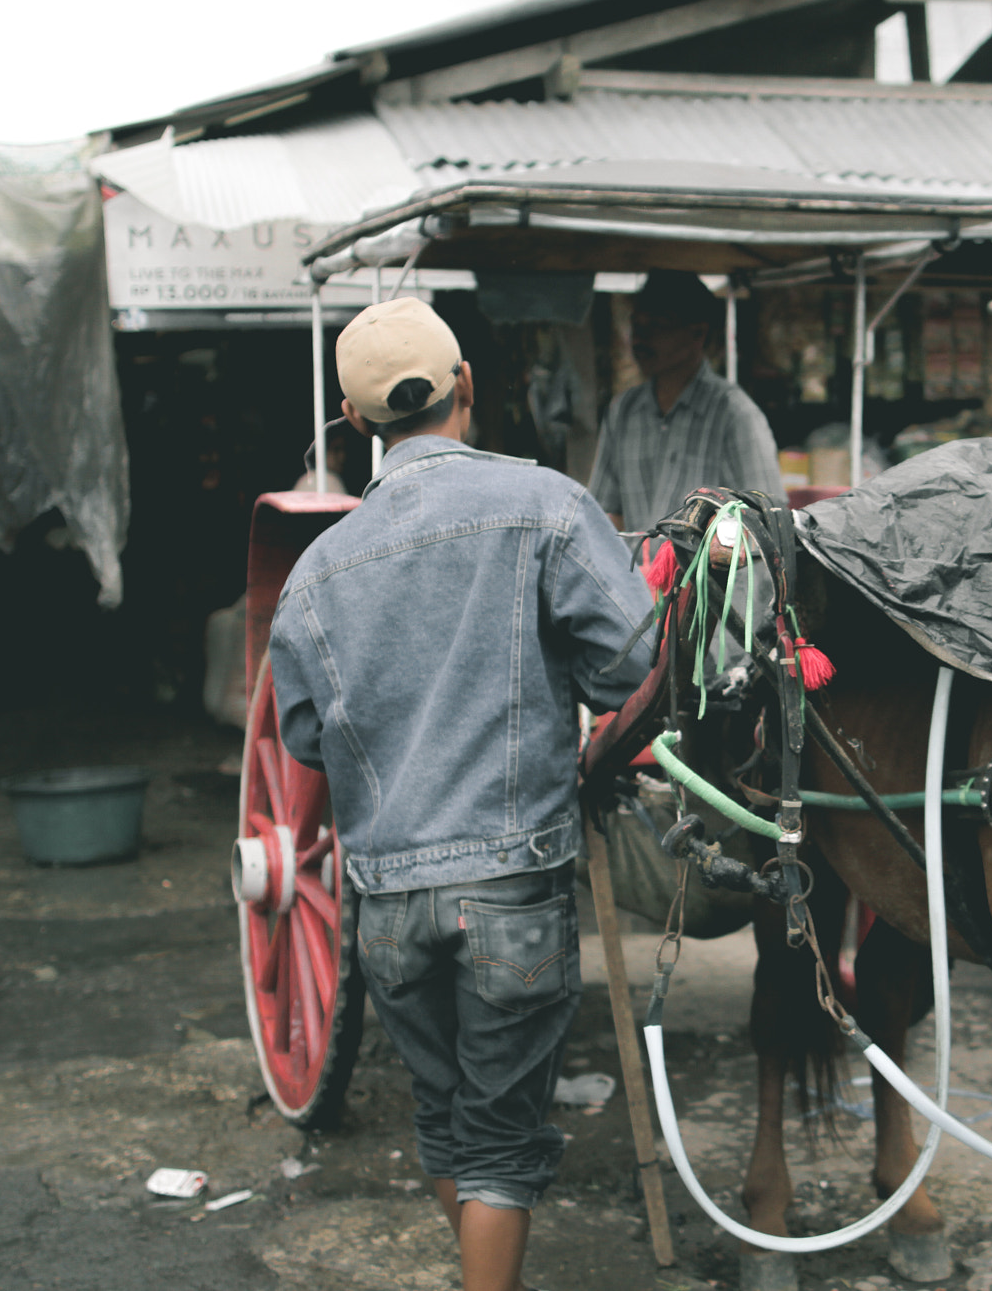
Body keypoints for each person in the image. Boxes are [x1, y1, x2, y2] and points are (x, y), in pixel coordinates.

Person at [268, 297, 655, 1291]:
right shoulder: (546, 507)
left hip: (389, 901)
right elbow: (633, 669)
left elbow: (306, 742)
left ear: (356, 426)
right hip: (511, 883)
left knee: (444, 1120)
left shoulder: (313, 574)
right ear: (467, 388)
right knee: (499, 1143)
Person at [588, 271, 785, 531]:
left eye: (657, 326)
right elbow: (606, 511)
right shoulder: (624, 411)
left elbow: (768, 521)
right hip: (637, 571)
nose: (640, 339)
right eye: (637, 325)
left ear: (697, 333)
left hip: (702, 572)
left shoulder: (734, 414)